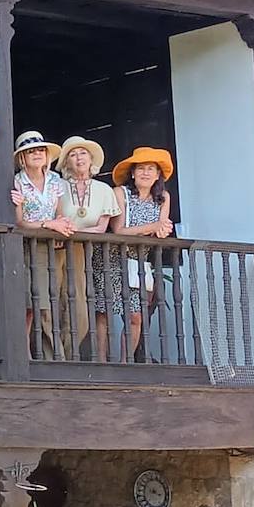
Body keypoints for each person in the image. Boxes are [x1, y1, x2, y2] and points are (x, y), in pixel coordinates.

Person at [55, 136, 120, 360]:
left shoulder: (103, 190)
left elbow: (102, 227)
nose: (78, 158)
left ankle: (70, 352)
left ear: (91, 159)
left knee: (80, 307)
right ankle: (54, 355)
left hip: (82, 250)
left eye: (82, 153)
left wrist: (76, 234)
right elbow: (54, 216)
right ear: (66, 163)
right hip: (55, 246)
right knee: (52, 300)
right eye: (72, 154)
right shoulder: (58, 186)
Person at [12, 130, 73, 359]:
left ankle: (52, 355)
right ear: (22, 157)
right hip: (28, 245)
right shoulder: (18, 181)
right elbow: (20, 222)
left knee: (48, 301)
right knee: (29, 302)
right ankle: (24, 354)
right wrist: (50, 224)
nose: (36, 154)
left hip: (51, 246)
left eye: (40, 150)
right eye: (30, 151)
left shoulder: (55, 180)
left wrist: (61, 226)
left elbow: (60, 212)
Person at [109, 147, 175, 360]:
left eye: (151, 169)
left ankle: (126, 363)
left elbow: (160, 229)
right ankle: (103, 361)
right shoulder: (121, 193)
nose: (146, 173)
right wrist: (153, 226)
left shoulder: (163, 197)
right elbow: (119, 230)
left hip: (140, 263)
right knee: (103, 312)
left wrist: (162, 231)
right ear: (133, 173)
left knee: (137, 316)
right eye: (141, 168)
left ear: (158, 175)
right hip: (114, 260)